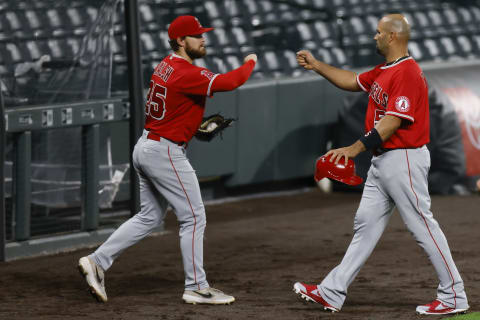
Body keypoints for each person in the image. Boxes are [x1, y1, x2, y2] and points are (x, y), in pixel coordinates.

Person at [293, 14, 469, 316]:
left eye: (378, 33)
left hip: (404, 158)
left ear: (392, 37)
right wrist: (318, 65)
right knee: (365, 225)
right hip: (383, 160)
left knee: (422, 225)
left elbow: (391, 122)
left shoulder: (407, 73)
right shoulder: (385, 70)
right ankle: (331, 291)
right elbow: (351, 81)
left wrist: (354, 148)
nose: (374, 37)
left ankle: (454, 295)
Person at [78, 15, 257, 305]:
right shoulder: (186, 72)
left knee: (149, 217)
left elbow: (173, 106)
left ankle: (97, 261)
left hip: (148, 145)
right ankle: (197, 286)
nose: (203, 39)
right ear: (180, 41)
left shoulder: (165, 65)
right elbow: (230, 81)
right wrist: (250, 60)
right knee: (194, 216)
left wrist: (188, 125)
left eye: (203, 34)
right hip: (164, 151)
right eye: (197, 36)